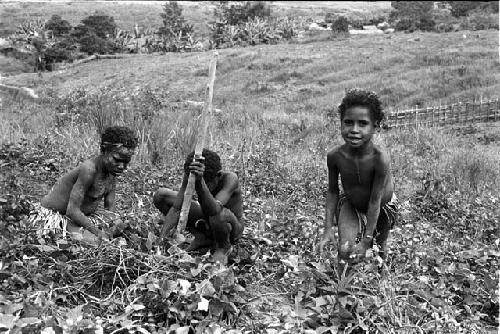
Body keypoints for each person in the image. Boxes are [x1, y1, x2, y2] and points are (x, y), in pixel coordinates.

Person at [319, 88, 398, 273]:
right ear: (340, 123)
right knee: (345, 250)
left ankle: (381, 282)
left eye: (363, 123)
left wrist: (366, 240)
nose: (354, 130)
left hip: (382, 207)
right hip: (351, 204)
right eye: (348, 122)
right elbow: (332, 191)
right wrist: (328, 228)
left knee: (378, 249)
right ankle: (343, 290)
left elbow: (375, 200)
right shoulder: (335, 156)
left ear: (376, 126)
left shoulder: (380, 159)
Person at [29, 126, 138, 243]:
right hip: (61, 215)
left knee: (120, 226)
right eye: (117, 160)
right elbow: (71, 211)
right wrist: (99, 232)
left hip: (83, 216)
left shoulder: (112, 172)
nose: (121, 166)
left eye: (126, 162)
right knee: (95, 242)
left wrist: (112, 228)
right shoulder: (89, 170)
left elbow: (110, 209)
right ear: (105, 151)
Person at [153, 149, 244, 265]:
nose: (196, 187)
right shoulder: (192, 175)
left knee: (220, 214)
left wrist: (201, 184)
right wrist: (160, 242)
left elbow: (215, 209)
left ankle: (223, 247)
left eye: (207, 183)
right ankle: (202, 237)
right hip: (208, 220)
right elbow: (176, 208)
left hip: (230, 227)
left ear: (218, 176)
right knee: (162, 195)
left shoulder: (230, 179)